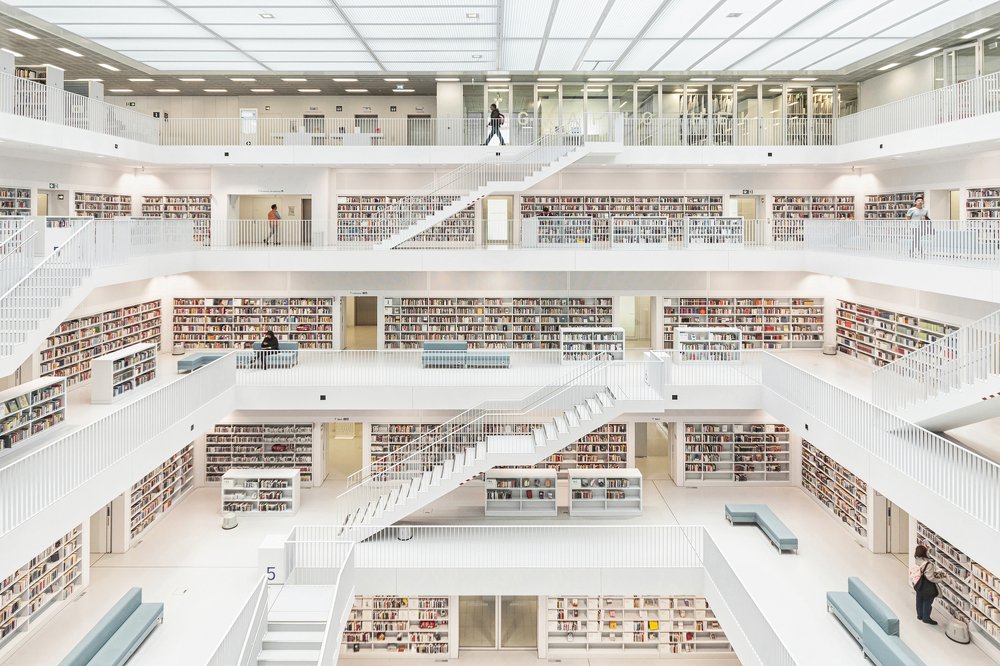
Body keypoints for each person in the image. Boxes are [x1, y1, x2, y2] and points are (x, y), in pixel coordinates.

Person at [910, 545, 946, 624]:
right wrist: (940, 579)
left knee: (919, 600)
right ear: (924, 553)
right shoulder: (928, 564)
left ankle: (920, 615)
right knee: (927, 602)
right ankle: (926, 618)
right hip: (927, 587)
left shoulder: (917, 560)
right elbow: (930, 578)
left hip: (918, 585)